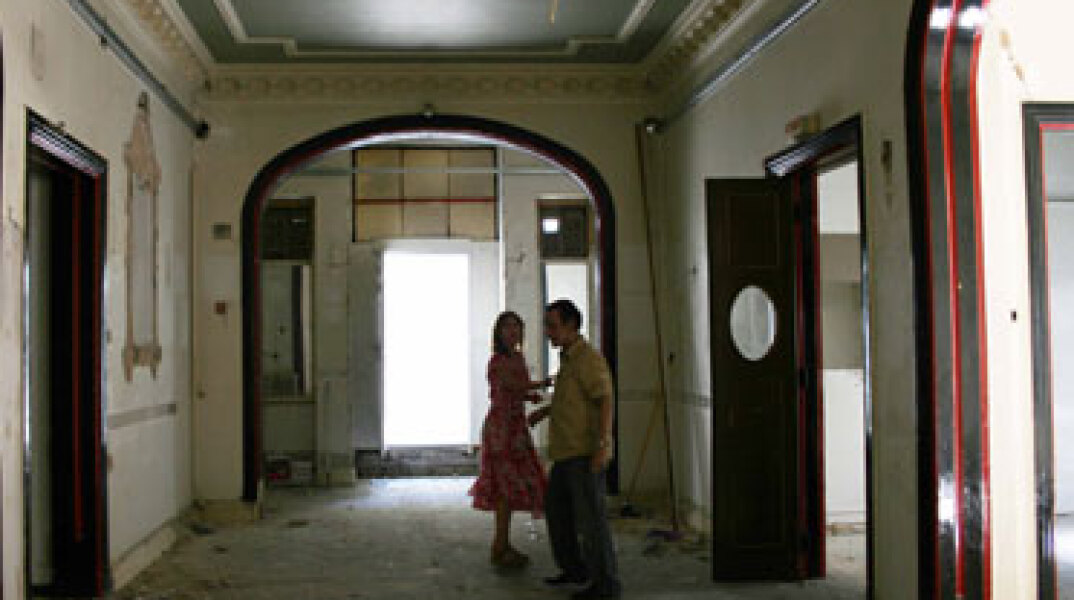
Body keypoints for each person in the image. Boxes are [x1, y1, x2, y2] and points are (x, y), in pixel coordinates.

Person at [528, 299, 621, 599]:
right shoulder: (568, 359)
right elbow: (571, 400)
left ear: (571, 326)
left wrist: (603, 445)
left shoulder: (588, 359)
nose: (548, 332)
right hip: (565, 454)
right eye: (547, 325)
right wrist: (545, 411)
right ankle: (575, 569)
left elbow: (605, 399)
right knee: (557, 513)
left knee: (591, 523)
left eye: (553, 326)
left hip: (585, 454)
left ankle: (605, 585)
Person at [469, 311, 551, 568]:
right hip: (501, 429)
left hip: (516, 428)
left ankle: (502, 544)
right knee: (504, 488)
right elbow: (512, 386)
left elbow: (517, 389)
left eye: (516, 326)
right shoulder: (497, 361)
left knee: (511, 488)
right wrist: (541, 384)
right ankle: (500, 545)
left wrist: (530, 396)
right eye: (507, 327)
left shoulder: (518, 358)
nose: (512, 331)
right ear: (498, 333)